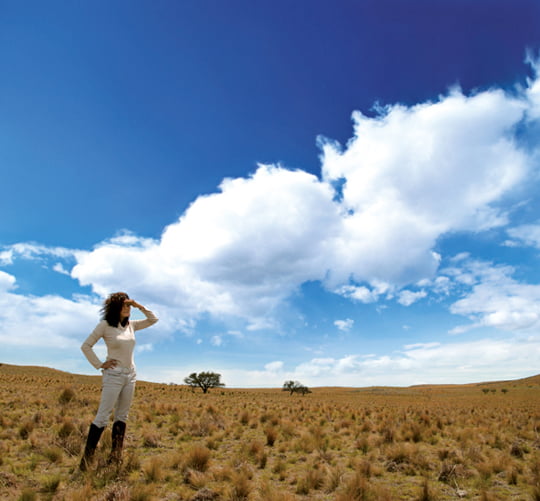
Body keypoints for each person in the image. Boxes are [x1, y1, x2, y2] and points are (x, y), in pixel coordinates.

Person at [79, 292, 158, 471]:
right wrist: (99, 364)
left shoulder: (131, 325)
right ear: (115, 307)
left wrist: (139, 305)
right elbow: (86, 346)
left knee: (122, 416)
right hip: (113, 375)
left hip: (130, 375)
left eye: (129, 305)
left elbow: (154, 319)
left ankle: (115, 458)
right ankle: (86, 461)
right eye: (124, 305)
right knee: (103, 416)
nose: (127, 308)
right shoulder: (105, 325)